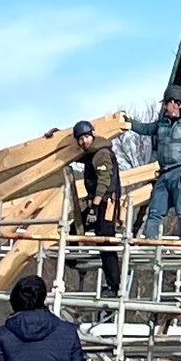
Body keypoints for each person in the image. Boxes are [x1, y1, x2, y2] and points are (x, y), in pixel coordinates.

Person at [130, 94, 181, 242]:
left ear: (175, 103)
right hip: (164, 172)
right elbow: (146, 128)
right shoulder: (163, 123)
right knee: (155, 210)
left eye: (166, 104)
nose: (165, 107)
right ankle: (150, 243)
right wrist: (130, 123)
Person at [65, 119, 123, 296]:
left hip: (106, 204)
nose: (83, 142)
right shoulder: (92, 153)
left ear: (92, 135)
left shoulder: (101, 153)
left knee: (105, 242)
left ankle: (115, 286)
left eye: (86, 137)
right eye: (80, 139)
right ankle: (74, 260)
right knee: (75, 228)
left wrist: (94, 207)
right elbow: (79, 158)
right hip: (100, 203)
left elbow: (104, 181)